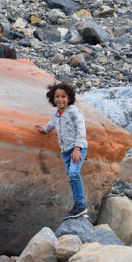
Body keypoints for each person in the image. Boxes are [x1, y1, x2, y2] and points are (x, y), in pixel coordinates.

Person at [36, 81, 88, 219]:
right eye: (57, 96)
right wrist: (44, 129)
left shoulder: (74, 112)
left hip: (77, 149)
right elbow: (50, 126)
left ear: (69, 98)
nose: (60, 99)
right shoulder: (56, 115)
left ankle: (81, 205)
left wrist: (77, 149)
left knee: (73, 173)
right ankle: (78, 206)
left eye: (63, 96)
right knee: (71, 178)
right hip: (65, 152)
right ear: (53, 99)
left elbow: (81, 130)